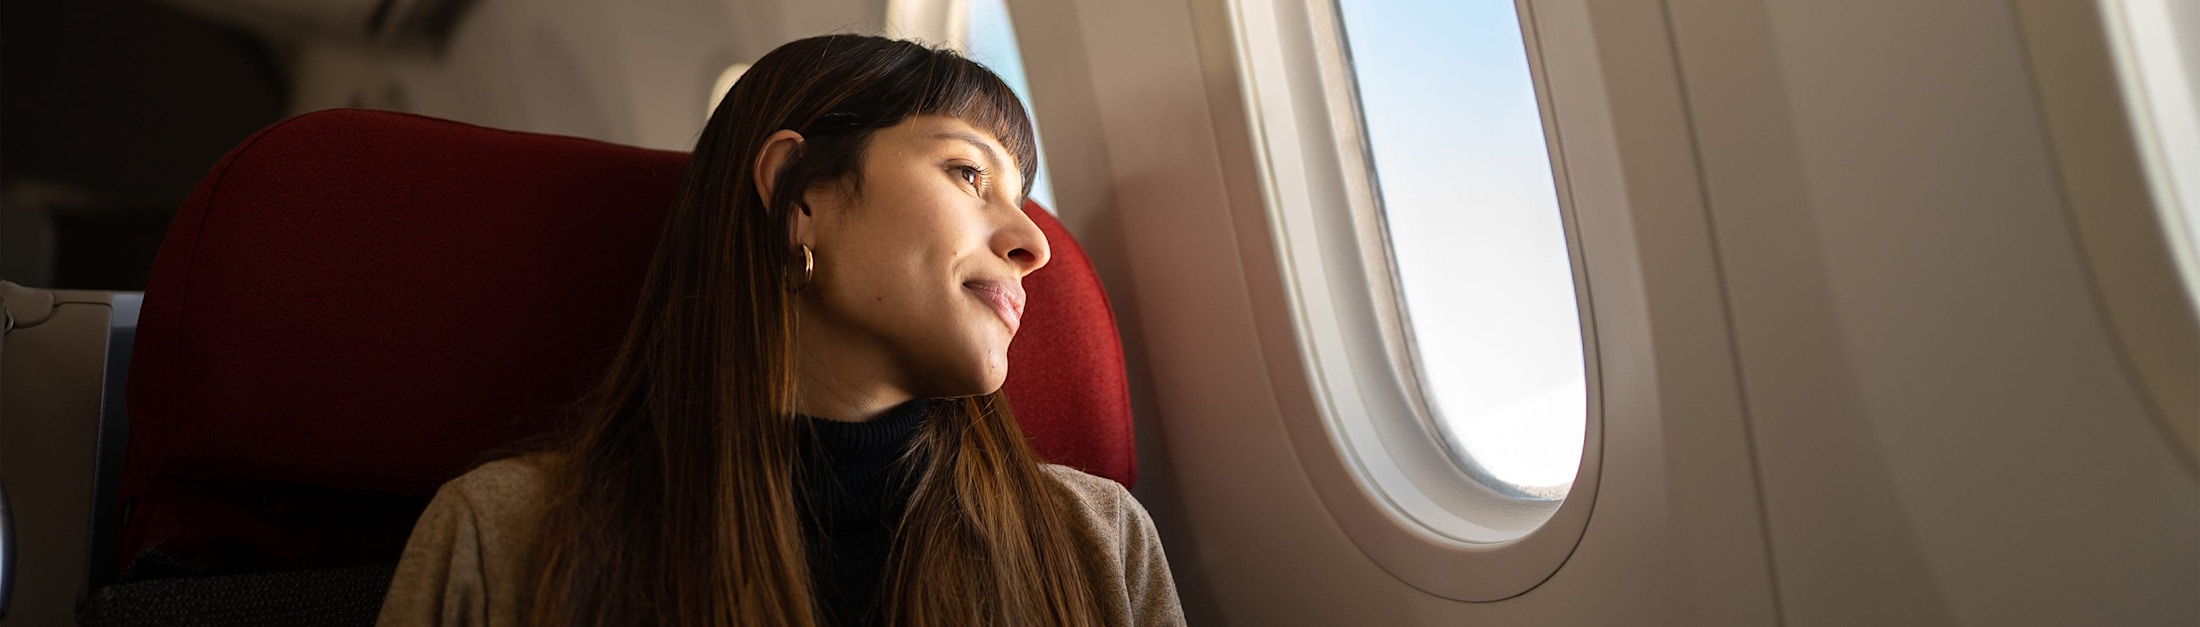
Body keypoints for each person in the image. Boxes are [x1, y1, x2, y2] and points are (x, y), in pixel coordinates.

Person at [374, 34, 1186, 627]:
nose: (1034, 244)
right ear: (801, 200)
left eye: (1022, 196)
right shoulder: (505, 541)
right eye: (969, 173)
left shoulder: (1101, 545)